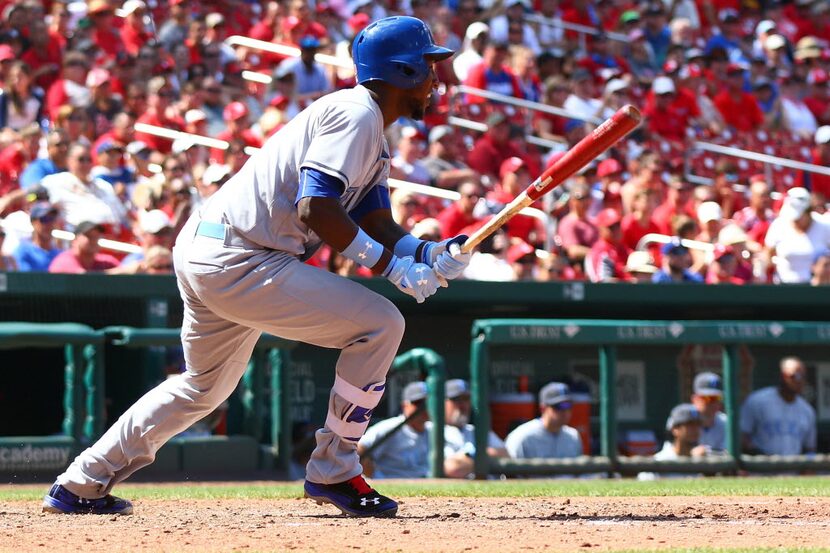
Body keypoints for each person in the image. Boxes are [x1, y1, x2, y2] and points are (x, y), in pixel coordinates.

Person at [42, 16, 468, 519]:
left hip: (215, 249)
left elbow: (374, 219)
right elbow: (317, 209)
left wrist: (423, 252)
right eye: (430, 69)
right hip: (241, 256)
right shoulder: (357, 116)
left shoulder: (368, 126)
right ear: (401, 71)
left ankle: (80, 483)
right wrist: (391, 269)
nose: (439, 82)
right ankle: (335, 467)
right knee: (381, 323)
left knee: (202, 387)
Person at [740, 356, 817, 456]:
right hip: (760, 468)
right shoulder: (758, 400)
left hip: (792, 469)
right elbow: (741, 435)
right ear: (783, 376)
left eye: (803, 376)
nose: (800, 381)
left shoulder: (807, 410)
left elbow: (810, 448)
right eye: (796, 376)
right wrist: (757, 454)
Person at [357, 381, 431, 479]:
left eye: (427, 403)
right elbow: (358, 450)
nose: (423, 408)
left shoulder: (435, 429)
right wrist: (377, 477)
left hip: (426, 484)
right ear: (405, 405)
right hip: (393, 484)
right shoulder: (389, 427)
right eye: (418, 403)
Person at [441, 379, 508, 479]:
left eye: (466, 399)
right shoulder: (432, 431)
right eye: (456, 399)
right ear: (442, 403)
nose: (462, 405)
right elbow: (453, 468)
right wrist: (484, 455)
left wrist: (470, 456)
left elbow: (505, 455)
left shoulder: (475, 430)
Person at [505, 382, 583, 460]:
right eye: (559, 406)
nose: (565, 411)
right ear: (543, 408)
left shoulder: (573, 437)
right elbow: (506, 471)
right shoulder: (522, 436)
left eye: (568, 405)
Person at [637, 403, 706, 481]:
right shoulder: (659, 461)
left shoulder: (702, 460)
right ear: (675, 429)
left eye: (698, 424)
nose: (695, 429)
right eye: (690, 424)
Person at [47, 221, 120, 274]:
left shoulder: (106, 262)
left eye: (97, 236)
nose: (93, 240)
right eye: (89, 236)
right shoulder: (64, 260)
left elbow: (124, 271)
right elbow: (83, 279)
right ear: (75, 240)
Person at [12, 202, 62, 272]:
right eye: (44, 219)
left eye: (52, 219)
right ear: (33, 222)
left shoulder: (59, 254)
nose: (49, 224)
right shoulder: (23, 250)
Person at [691, 372, 728, 454]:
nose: (714, 403)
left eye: (717, 398)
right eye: (709, 398)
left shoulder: (726, 423)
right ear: (695, 399)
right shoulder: (682, 419)